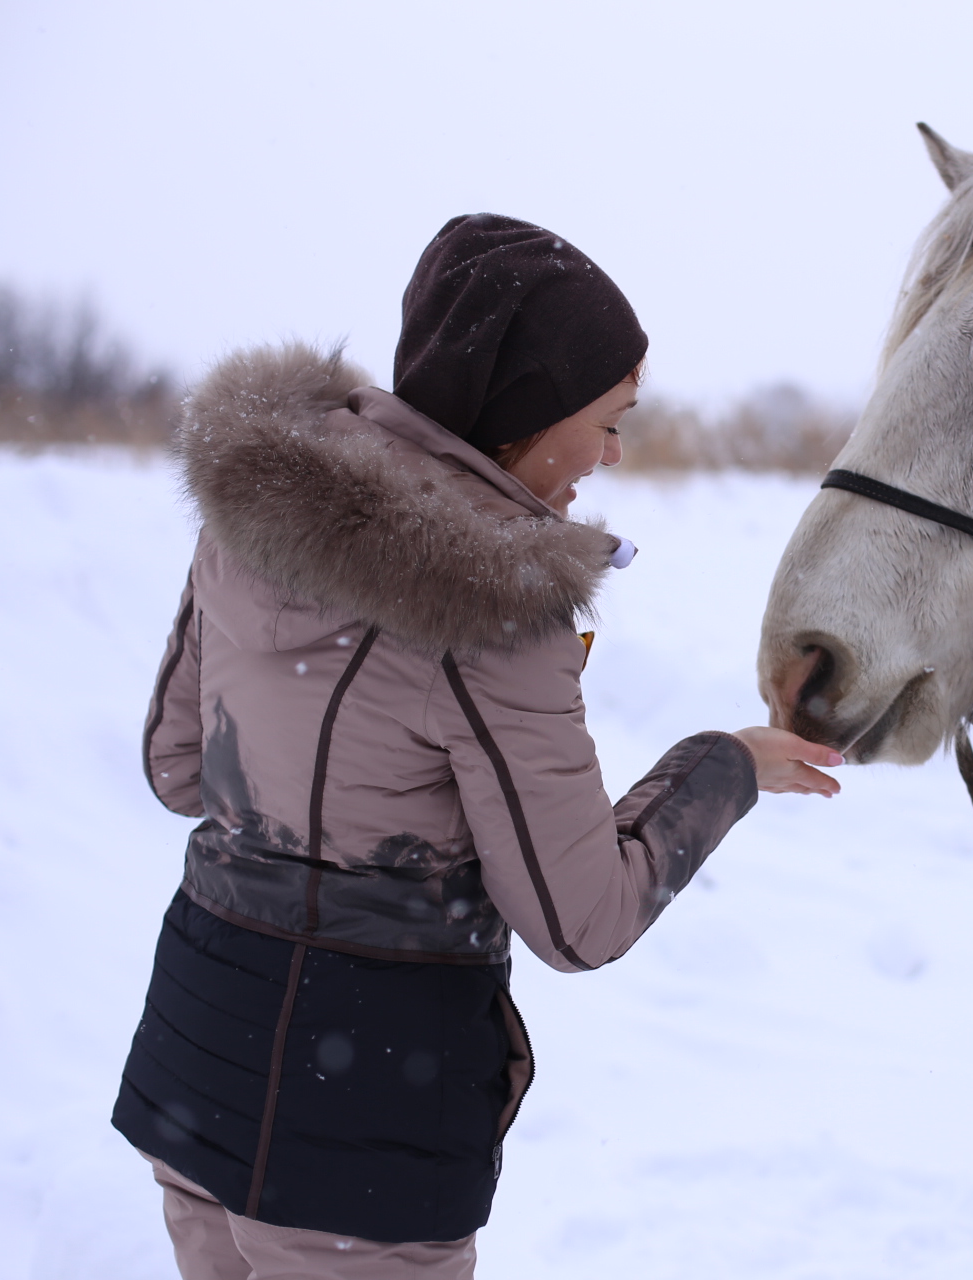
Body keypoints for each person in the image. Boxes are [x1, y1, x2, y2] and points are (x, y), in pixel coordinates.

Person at [111, 213, 841, 1278]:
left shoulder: (251, 518)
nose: (614, 453)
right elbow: (579, 916)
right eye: (608, 419)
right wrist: (724, 765)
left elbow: (179, 769)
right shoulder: (492, 609)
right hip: (358, 1126)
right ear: (528, 414)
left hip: (198, 1055)